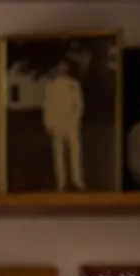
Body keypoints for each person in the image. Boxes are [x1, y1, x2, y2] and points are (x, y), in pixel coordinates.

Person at [42, 57, 85, 191]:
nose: (62, 70)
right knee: (58, 154)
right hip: (57, 123)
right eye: (59, 68)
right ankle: (61, 181)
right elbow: (47, 106)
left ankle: (76, 179)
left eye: (64, 67)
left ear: (67, 69)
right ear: (56, 69)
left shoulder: (73, 84)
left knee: (74, 152)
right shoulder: (50, 86)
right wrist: (48, 124)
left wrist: (75, 119)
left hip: (71, 123)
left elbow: (79, 105)